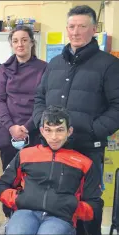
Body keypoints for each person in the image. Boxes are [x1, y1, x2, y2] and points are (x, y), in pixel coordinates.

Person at [32, 5, 119, 235]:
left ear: (93, 29)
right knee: (55, 204)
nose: (76, 31)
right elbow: (39, 97)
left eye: (82, 26)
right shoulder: (54, 64)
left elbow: (117, 106)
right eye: (72, 26)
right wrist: (42, 122)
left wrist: (93, 130)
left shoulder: (109, 65)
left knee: (87, 207)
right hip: (53, 149)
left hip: (86, 148)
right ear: (66, 29)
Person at [0, 106, 101, 235]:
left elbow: (94, 206)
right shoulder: (25, 154)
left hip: (60, 218)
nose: (54, 137)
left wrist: (72, 207)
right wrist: (19, 199)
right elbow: (1, 187)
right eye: (48, 130)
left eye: (60, 130)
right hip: (25, 212)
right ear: (42, 131)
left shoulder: (84, 163)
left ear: (69, 131)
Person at [0, 25, 47, 229]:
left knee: (34, 174)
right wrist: (12, 126)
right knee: (11, 174)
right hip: (8, 130)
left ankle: (33, 214)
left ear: (32, 42)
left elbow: (45, 100)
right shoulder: (3, 69)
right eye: (15, 40)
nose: (20, 44)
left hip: (35, 129)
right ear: (11, 44)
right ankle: (10, 216)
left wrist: (28, 126)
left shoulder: (44, 68)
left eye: (24, 40)